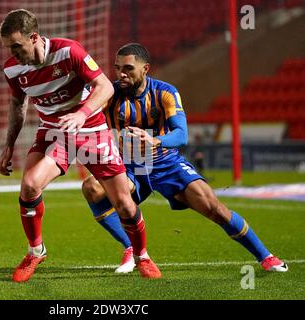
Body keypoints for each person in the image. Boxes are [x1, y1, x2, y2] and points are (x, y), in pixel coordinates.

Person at [82, 43, 288, 274]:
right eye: (118, 68)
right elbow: (85, 111)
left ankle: (266, 257)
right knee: (92, 187)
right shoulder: (109, 93)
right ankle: (131, 247)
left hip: (166, 162)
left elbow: (181, 135)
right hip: (128, 166)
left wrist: (155, 141)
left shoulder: (165, 92)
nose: (121, 74)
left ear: (145, 68)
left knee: (214, 208)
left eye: (128, 68)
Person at [0, 10, 161, 282]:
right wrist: (8, 146)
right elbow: (18, 105)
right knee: (29, 186)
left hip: (92, 130)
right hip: (53, 133)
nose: (13, 53)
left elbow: (105, 87)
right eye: (8, 48)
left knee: (124, 205)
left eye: (17, 46)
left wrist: (81, 114)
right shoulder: (13, 69)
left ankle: (142, 255)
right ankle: (36, 250)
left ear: (34, 37)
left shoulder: (68, 51)